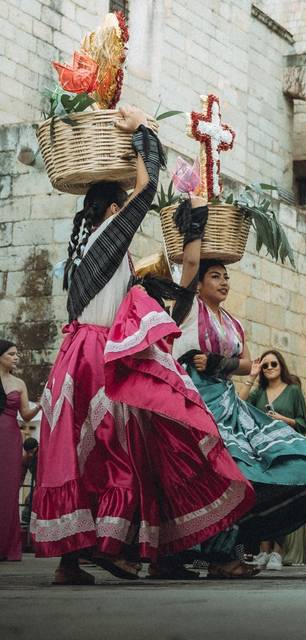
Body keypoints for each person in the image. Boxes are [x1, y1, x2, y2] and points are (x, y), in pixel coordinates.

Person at [30, 108, 256, 585]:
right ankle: (115, 548)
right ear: (113, 209)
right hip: (98, 358)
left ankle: (70, 561)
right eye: (121, 205)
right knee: (116, 451)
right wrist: (143, 134)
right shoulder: (110, 235)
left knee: (72, 452)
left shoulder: (82, 250)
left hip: (71, 361)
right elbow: (147, 188)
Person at [172, 252, 306, 577]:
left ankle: (223, 554)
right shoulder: (187, 311)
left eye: (226, 276)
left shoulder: (231, 322)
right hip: (193, 400)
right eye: (215, 276)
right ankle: (204, 556)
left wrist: (219, 363)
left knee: (260, 465)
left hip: (227, 403)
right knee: (215, 474)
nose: (224, 282)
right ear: (197, 283)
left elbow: (248, 364)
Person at [237, 349, 306, 571]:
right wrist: (251, 375)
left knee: (282, 499)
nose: (270, 368)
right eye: (266, 365)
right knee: (264, 499)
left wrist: (283, 419)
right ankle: (263, 550)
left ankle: (278, 552)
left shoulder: (293, 390)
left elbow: (303, 423)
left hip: (286, 449)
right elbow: (238, 403)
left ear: (281, 367)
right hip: (261, 452)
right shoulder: (258, 393)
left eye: (274, 364)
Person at [0, 341, 40, 561]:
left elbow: (25, 415)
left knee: (8, 490)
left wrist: (39, 407)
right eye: (11, 354)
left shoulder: (19, 383)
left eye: (17, 354)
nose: (16, 358)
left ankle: (7, 546)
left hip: (10, 437)